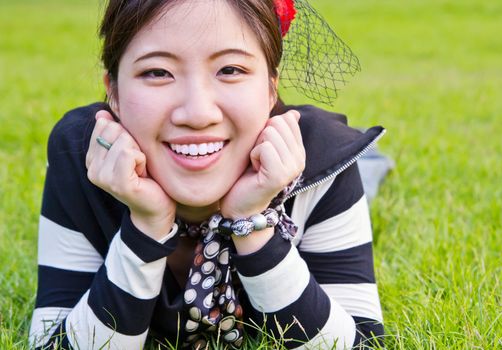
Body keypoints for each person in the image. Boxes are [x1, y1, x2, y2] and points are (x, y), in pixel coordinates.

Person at [29, 0, 385, 349]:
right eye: (157, 72)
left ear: (271, 87)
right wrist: (145, 227)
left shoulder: (322, 161)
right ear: (114, 92)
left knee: (369, 174)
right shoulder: (84, 158)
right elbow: (50, 343)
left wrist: (251, 221)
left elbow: (361, 344)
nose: (197, 114)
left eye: (230, 70)